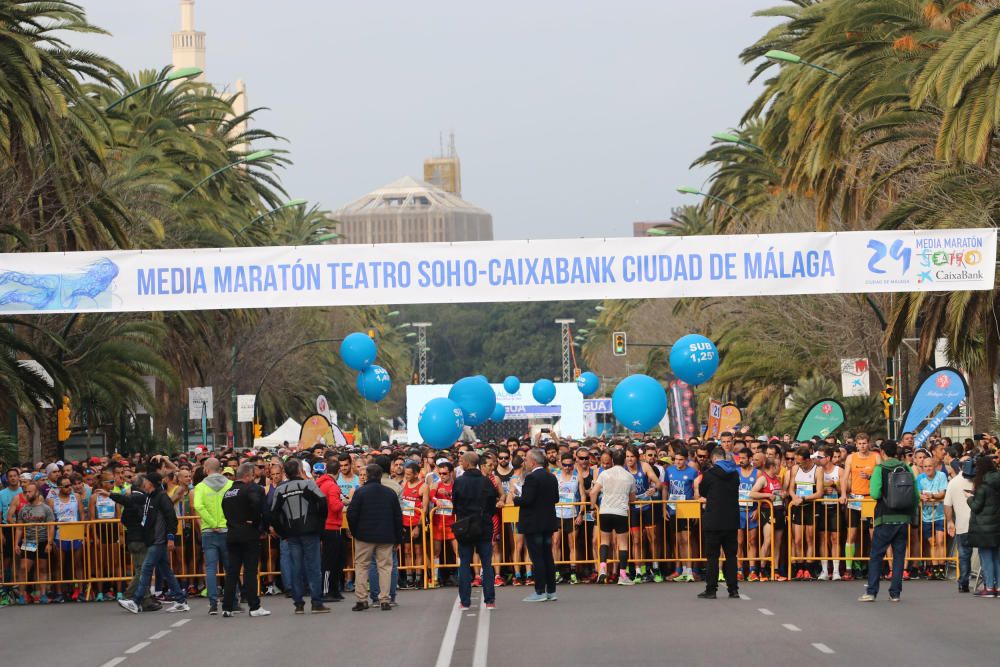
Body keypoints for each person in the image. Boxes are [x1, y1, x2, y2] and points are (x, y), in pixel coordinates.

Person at [117, 472, 190, 614]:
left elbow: (171, 518)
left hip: (159, 540)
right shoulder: (150, 497)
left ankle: (135, 601)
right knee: (166, 572)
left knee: (145, 569)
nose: (143, 482)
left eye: (145, 480)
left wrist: (170, 537)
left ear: (150, 483)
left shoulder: (162, 497)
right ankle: (181, 601)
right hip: (153, 540)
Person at [858, 440, 919, 603]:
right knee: (899, 556)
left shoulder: (880, 469)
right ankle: (895, 593)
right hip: (902, 519)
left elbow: (875, 494)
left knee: (877, 555)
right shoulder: (906, 468)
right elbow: (915, 494)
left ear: (883, 452)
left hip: (884, 517)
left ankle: (871, 591)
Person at [269, 458, 329, 614]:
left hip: (292, 533)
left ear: (285, 472)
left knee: (296, 567)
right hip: (310, 532)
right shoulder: (308, 484)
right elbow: (323, 502)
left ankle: (298, 604)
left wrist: (283, 532)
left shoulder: (280, 489)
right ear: (299, 470)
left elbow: (273, 514)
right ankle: (316, 603)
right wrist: (319, 523)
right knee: (314, 567)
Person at [346, 464, 403, 611]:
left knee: (362, 566)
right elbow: (398, 517)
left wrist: (354, 531)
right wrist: (398, 538)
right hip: (386, 535)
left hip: (364, 536)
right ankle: (385, 599)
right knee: (385, 567)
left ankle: (362, 599)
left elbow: (351, 514)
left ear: (368, 475)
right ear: (380, 476)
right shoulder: (389, 493)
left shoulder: (360, 492)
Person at [221, 463, 269, 617]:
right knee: (250, 571)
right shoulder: (249, 489)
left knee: (232, 572)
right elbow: (257, 504)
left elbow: (225, 509)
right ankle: (254, 607)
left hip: (232, 534)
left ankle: (227, 607)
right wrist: (254, 521)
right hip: (248, 534)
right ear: (248, 476)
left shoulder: (228, 492)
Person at [453, 451, 499, 610]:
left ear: (467, 463)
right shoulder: (486, 481)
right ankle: (490, 601)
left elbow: (455, 504)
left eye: (461, 461)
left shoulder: (459, 482)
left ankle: (464, 601)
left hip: (465, 526)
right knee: (487, 563)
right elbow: (492, 505)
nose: (460, 463)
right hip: (484, 525)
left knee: (465, 563)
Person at [513, 448, 559, 602]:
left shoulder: (532, 478)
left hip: (534, 524)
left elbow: (527, 500)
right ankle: (551, 591)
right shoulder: (551, 477)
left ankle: (540, 591)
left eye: (525, 459)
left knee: (537, 557)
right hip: (548, 523)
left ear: (532, 462)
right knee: (547, 556)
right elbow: (556, 498)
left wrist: (516, 498)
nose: (524, 462)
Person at [697, 448, 740, 599]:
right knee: (731, 556)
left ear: (714, 459)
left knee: (712, 556)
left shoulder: (709, 474)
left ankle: (711, 590)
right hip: (731, 521)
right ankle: (733, 589)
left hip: (713, 521)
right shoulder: (734, 474)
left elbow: (702, 491)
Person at [192, 457, 232, 615]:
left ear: (206, 469)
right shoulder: (229, 484)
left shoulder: (200, 487)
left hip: (209, 530)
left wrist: (210, 522)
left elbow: (198, 506)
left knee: (210, 567)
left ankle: (213, 603)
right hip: (227, 529)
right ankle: (232, 600)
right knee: (230, 567)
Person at [591, 447, 636, 585]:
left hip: (605, 510)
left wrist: (594, 506)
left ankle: (602, 568)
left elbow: (593, 492)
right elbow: (632, 498)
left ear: (612, 460)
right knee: (622, 543)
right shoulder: (629, 476)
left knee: (604, 541)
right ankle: (622, 575)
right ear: (624, 461)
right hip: (621, 512)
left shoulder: (604, 474)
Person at [967, 456, 1000, 597]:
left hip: (984, 528)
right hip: (997, 525)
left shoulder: (982, 485)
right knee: (997, 558)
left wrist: (969, 498)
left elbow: (976, 506)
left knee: (986, 558)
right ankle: (998, 587)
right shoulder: (997, 480)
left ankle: (990, 587)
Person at [313, 462, 345, 602]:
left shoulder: (320, 484)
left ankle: (333, 589)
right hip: (331, 526)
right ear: (338, 471)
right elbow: (335, 505)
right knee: (330, 561)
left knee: (334, 560)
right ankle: (327, 591)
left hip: (323, 525)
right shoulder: (332, 486)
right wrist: (344, 501)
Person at [944, 459, 975, 592]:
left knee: (964, 555)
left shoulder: (953, 482)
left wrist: (950, 521)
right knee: (985, 553)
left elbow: (947, 504)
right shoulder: (980, 479)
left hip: (963, 525)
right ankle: (988, 581)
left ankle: (963, 582)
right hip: (978, 524)